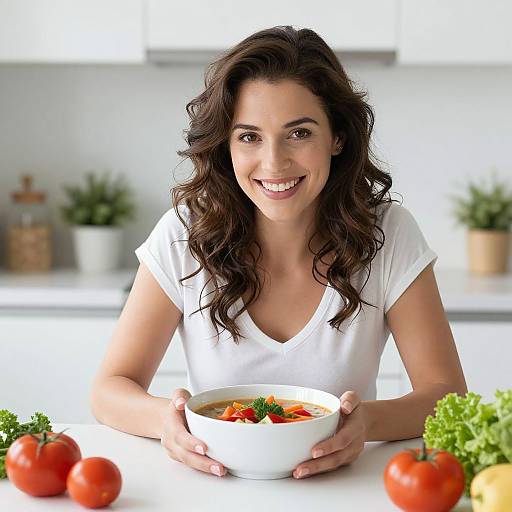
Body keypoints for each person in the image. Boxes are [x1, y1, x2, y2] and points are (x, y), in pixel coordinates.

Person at [90, 26, 467, 480]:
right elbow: (110, 390)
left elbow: (447, 396)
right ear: (226, 145)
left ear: (337, 137)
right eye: (249, 136)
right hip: (215, 492)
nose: (274, 164)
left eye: (299, 133)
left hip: (344, 495)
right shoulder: (183, 234)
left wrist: (365, 424)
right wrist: (168, 423)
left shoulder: (388, 233)